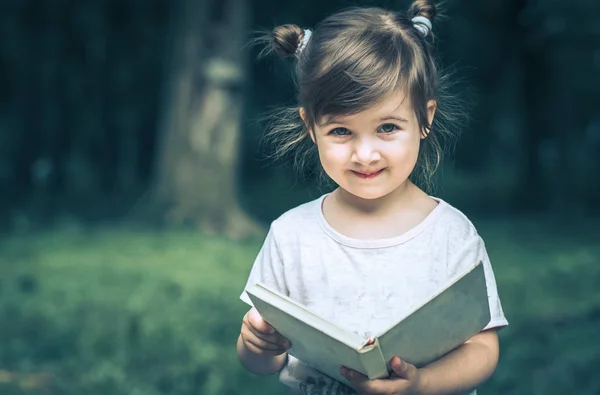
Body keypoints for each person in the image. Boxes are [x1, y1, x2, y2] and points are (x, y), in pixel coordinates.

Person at [237, 1, 508, 394]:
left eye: (386, 127)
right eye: (341, 132)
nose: (365, 155)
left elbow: (483, 347)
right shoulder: (291, 236)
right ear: (311, 127)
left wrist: (421, 385)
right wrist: (256, 344)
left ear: (424, 118)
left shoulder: (451, 234)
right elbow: (262, 362)